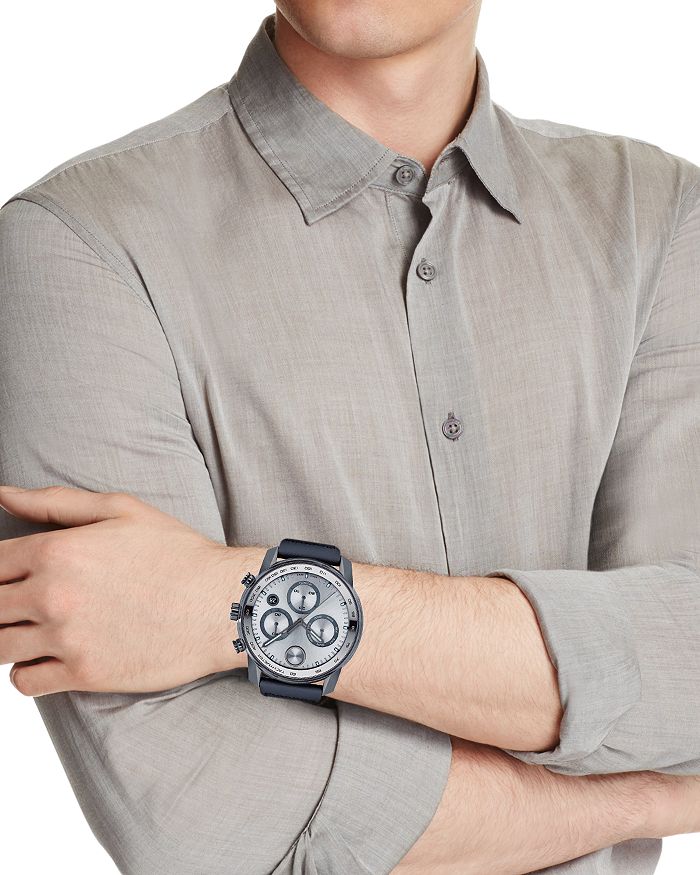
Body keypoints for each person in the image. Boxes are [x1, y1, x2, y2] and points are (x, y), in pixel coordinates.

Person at [0, 3, 698, 873]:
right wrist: (641, 798)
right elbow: (197, 812)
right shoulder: (78, 244)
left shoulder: (660, 217)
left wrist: (231, 600)